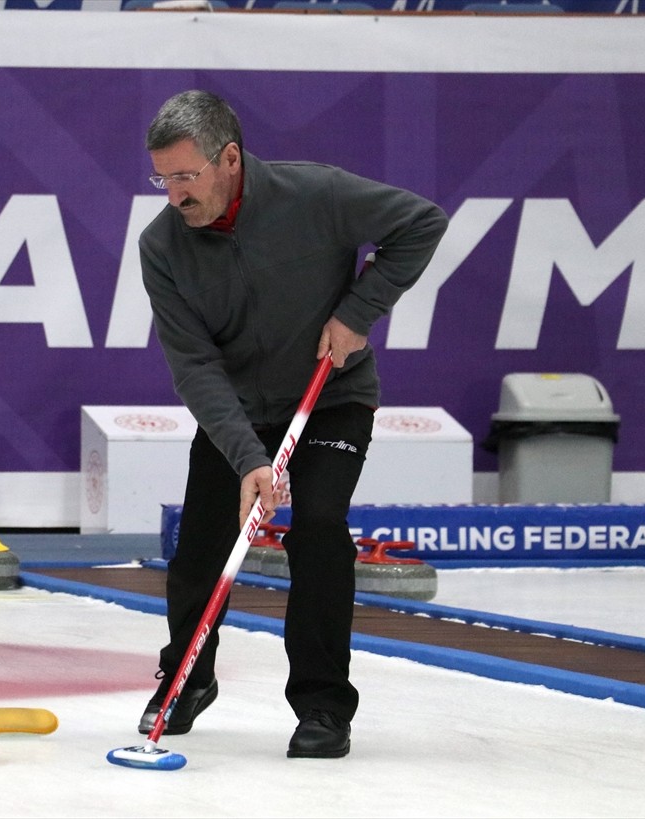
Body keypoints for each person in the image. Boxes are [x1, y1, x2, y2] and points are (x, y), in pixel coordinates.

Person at [136, 90, 448, 758]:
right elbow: (193, 365)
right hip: (238, 412)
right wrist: (249, 456)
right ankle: (187, 675)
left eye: (186, 177)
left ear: (229, 159)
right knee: (202, 548)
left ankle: (323, 705)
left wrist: (360, 312)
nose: (174, 196)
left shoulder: (317, 195)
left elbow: (421, 223)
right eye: (163, 179)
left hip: (330, 395)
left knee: (320, 527)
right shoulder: (161, 246)